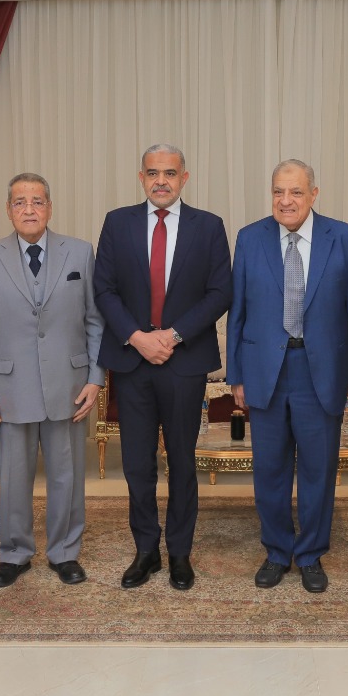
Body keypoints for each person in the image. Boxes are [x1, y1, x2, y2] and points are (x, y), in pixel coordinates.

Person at [93, 144, 232, 591]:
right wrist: (137, 337)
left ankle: (180, 553)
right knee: (137, 464)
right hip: (132, 362)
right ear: (141, 177)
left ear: (184, 178)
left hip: (183, 361)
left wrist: (171, 336)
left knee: (183, 462)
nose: (161, 181)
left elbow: (220, 292)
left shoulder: (208, 226)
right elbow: (104, 289)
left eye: (169, 173)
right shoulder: (118, 222)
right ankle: (146, 551)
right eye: (153, 173)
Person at [227, 159, 348, 593]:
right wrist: (236, 374)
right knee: (269, 469)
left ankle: (310, 554)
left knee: (319, 470)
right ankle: (276, 551)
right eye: (278, 192)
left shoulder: (344, 237)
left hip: (321, 370)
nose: (286, 201)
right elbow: (237, 310)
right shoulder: (249, 237)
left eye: (296, 192)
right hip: (264, 370)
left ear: (314, 194)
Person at [0, 173, 105, 587]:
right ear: (8, 210)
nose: (29, 209)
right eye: (20, 202)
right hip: (9, 388)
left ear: (50, 207)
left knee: (67, 476)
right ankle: (14, 553)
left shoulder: (79, 252)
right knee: (13, 477)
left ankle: (65, 552)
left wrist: (95, 377)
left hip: (70, 385)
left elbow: (95, 320)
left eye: (37, 201)